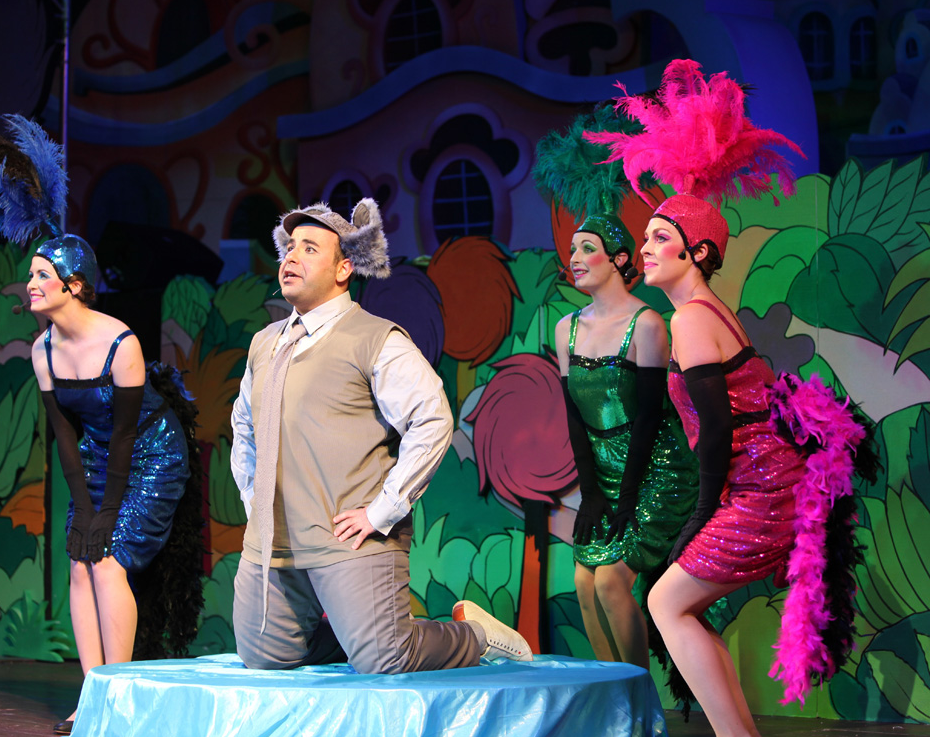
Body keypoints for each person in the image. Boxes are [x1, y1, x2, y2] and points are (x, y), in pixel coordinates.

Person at [585, 59, 873, 735]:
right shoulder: (706, 313)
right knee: (672, 603)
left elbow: (715, 430)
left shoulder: (691, 320)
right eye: (647, 237)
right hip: (762, 486)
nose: (645, 249)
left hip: (761, 492)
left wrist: (698, 517)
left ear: (696, 253)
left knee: (665, 602)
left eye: (661, 239)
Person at [0, 116, 203, 736]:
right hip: (93, 456)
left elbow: (125, 433)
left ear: (75, 285)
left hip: (150, 455)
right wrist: (84, 509)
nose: (29, 283)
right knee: (80, 561)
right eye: (31, 273)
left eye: (42, 275)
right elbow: (65, 435)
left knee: (108, 562)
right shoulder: (42, 351)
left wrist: (107, 512)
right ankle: (92, 697)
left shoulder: (121, 343)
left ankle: (122, 701)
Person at [230, 199, 530, 674]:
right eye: (290, 247)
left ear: (344, 268)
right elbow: (244, 425)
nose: (291, 257)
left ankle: (474, 635)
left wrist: (381, 511)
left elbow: (432, 418)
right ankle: (361, 632)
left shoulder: (375, 338)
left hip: (346, 538)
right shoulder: (265, 343)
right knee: (265, 656)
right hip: (274, 541)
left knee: (385, 658)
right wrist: (254, 498)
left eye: (310, 248)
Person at [535, 111, 699, 670]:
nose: (576, 259)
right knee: (584, 583)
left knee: (610, 582)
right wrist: (592, 491)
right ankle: (612, 702)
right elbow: (574, 418)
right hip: (603, 473)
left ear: (619, 259)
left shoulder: (647, 324)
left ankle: (638, 700)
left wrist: (627, 496)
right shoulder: (566, 329)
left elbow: (651, 419)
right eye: (573, 250)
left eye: (588, 249)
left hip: (654, 470)